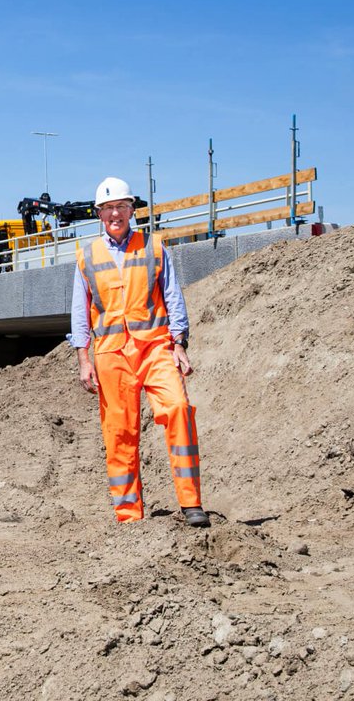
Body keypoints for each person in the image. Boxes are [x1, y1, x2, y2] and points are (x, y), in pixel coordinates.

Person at [69, 177, 211, 528]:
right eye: (108, 208)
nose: (115, 213)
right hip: (110, 353)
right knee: (119, 432)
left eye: (121, 206)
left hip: (155, 346)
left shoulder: (154, 246)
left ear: (132, 210)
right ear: (99, 214)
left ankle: (191, 503)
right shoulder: (87, 256)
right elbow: (80, 311)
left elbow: (172, 294)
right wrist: (83, 358)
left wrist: (180, 343)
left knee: (178, 409)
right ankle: (129, 515)